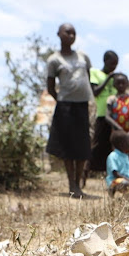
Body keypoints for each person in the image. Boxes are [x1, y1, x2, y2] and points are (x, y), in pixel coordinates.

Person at [45, 23, 94, 198]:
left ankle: (78, 183)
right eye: (68, 32)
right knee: (67, 145)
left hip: (82, 105)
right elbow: (50, 86)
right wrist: (61, 99)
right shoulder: (54, 60)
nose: (71, 35)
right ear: (59, 34)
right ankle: (71, 184)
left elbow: (88, 78)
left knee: (81, 145)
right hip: (65, 106)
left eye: (74, 32)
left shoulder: (83, 57)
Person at [85, 50, 119, 185]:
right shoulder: (95, 73)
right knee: (96, 147)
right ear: (105, 61)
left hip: (115, 119)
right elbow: (95, 92)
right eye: (112, 64)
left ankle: (111, 179)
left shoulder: (116, 79)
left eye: (116, 65)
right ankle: (84, 175)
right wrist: (108, 79)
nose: (114, 67)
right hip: (102, 116)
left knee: (112, 149)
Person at [106, 73, 129, 175]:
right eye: (118, 83)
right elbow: (107, 116)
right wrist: (119, 129)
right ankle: (117, 177)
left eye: (123, 83)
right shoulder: (112, 99)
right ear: (114, 85)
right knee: (117, 155)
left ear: (127, 84)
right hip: (117, 134)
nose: (121, 85)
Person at [106, 130, 129, 196]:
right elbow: (115, 173)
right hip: (114, 182)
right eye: (127, 142)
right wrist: (126, 179)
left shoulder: (126, 156)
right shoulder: (112, 156)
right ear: (120, 144)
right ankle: (113, 193)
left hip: (126, 180)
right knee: (125, 184)